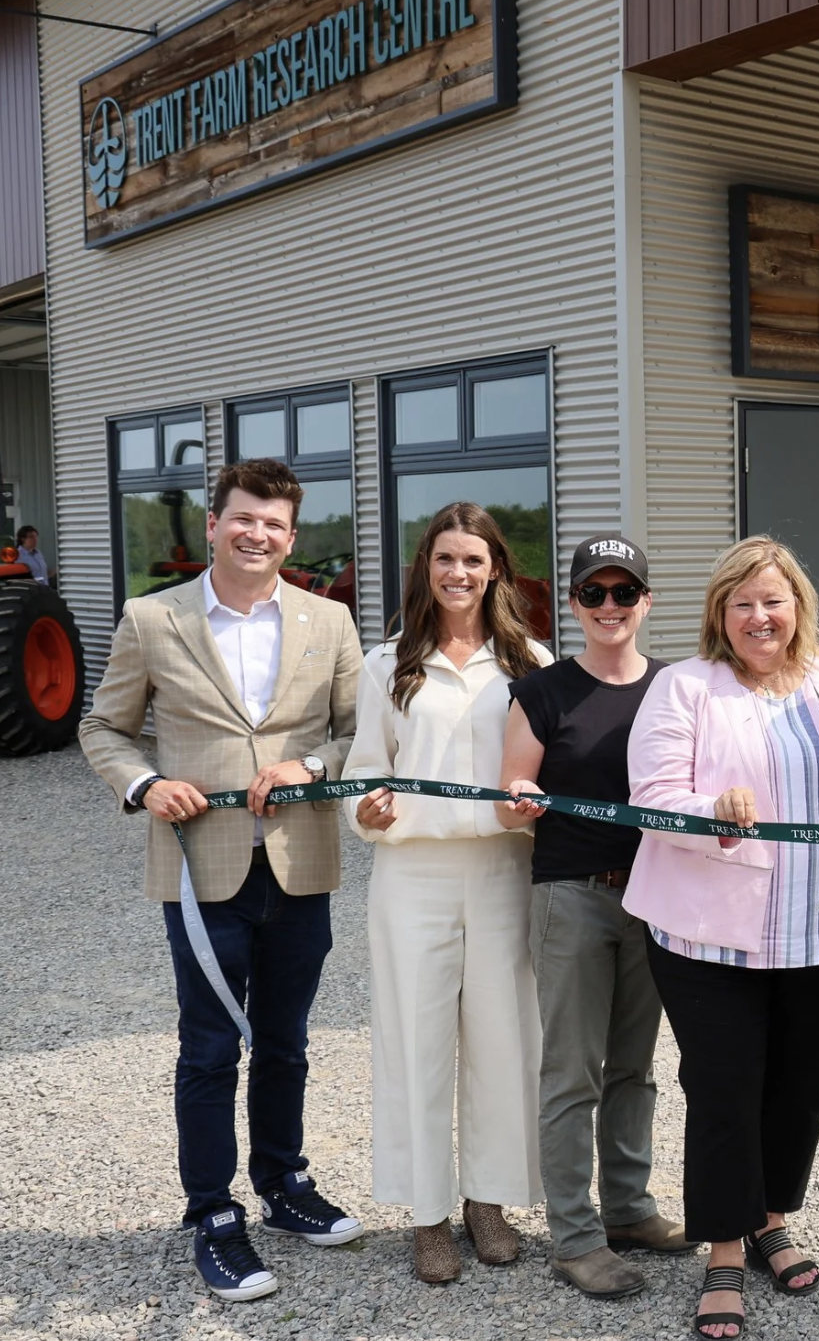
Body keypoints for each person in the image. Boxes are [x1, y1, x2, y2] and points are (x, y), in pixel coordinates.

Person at [80, 459, 365, 1303]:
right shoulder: (152, 618)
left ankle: (284, 1186)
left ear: (291, 535)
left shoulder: (329, 621)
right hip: (199, 866)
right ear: (214, 524)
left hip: (299, 861)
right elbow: (104, 726)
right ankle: (212, 1213)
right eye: (244, 519)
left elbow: (357, 734)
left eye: (275, 525)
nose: (258, 535)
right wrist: (142, 784)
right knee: (210, 1047)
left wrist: (311, 763)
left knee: (286, 1041)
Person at [625, 535, 819, 1340]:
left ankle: (769, 1219)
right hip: (710, 938)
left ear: (800, 608)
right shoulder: (683, 687)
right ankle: (723, 1250)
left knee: (799, 1088)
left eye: (774, 600)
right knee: (724, 1090)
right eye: (743, 603)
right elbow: (654, 795)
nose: (761, 617)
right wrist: (712, 814)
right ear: (719, 616)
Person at [345, 502, 550, 1285]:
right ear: (423, 569)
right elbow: (364, 768)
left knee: (504, 1040)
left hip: (504, 868)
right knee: (414, 1042)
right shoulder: (387, 662)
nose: (458, 573)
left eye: (473, 560)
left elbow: (545, 768)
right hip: (414, 873)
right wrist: (364, 808)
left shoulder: (528, 659)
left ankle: (487, 1201)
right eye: (443, 560)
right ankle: (427, 1214)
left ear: (496, 566)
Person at [496, 535, 691, 1298]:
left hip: (656, 894)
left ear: (646, 602)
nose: (609, 606)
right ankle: (575, 1237)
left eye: (624, 592)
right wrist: (519, 803)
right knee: (571, 1071)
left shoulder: (676, 687)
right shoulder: (542, 692)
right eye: (593, 594)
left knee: (634, 1068)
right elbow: (512, 804)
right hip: (573, 895)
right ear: (573, 604)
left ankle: (630, 1209)